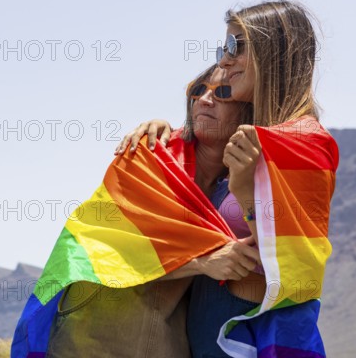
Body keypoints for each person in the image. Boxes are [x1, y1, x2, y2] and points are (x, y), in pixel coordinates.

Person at [115, 0, 336, 357]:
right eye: (223, 47)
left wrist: (246, 191)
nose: (224, 60)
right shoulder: (249, 143)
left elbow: (299, 267)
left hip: (250, 341)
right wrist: (169, 130)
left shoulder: (304, 142)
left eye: (235, 46)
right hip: (204, 341)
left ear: (274, 51)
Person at [45, 64, 259, 357]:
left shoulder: (240, 185)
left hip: (166, 333)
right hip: (97, 321)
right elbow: (110, 248)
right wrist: (201, 262)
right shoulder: (148, 155)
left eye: (223, 93)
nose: (205, 100)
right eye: (199, 90)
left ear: (248, 113)